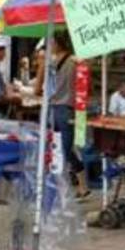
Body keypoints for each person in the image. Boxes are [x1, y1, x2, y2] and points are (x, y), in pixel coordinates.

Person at [37, 31, 87, 198]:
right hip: (69, 109)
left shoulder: (48, 62)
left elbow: (38, 88)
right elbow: (85, 85)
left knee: (54, 150)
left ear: (57, 44)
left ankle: (57, 189)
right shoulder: (76, 62)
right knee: (67, 149)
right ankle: (82, 186)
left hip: (54, 109)